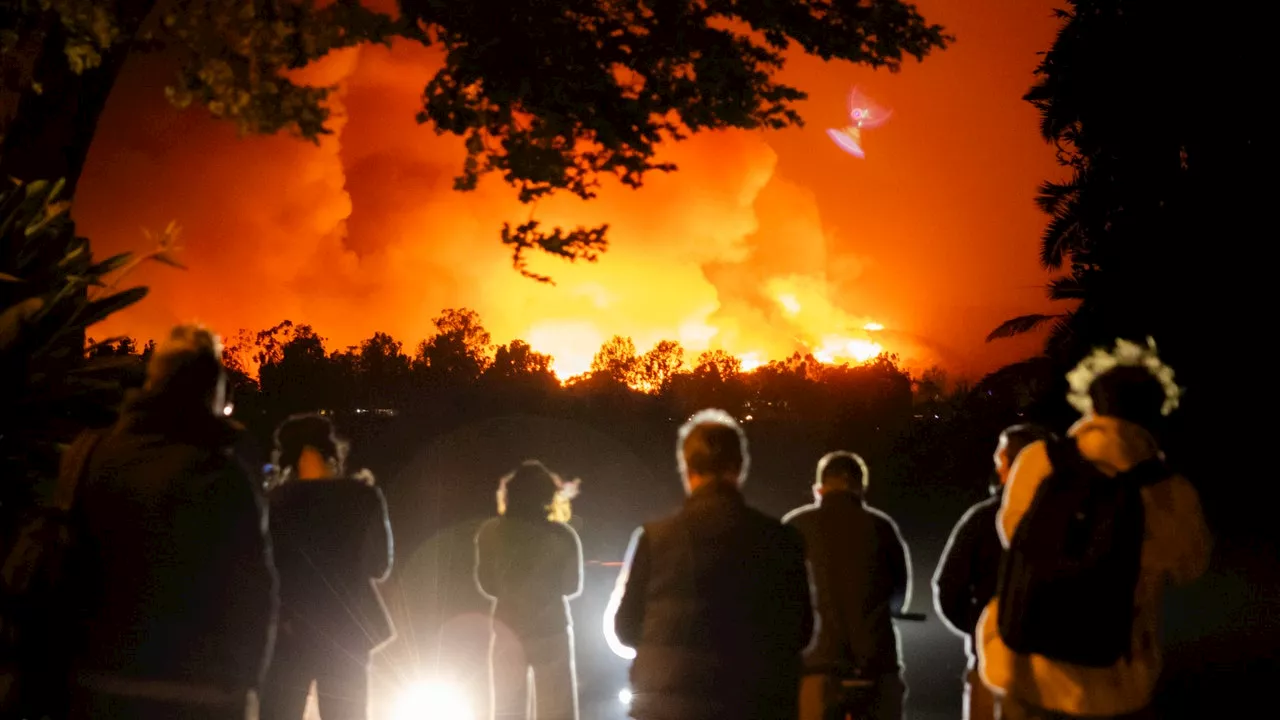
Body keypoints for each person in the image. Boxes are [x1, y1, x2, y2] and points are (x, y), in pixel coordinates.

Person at [978, 338, 1212, 720]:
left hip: (1027, 672)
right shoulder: (1170, 491)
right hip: (1116, 683)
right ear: (1157, 410)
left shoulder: (1041, 461)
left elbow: (1011, 534)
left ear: (1090, 402)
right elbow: (1189, 567)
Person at [66, 324, 278, 720]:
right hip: (196, 696)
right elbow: (253, 594)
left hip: (98, 688)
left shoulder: (89, 457)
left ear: (152, 382)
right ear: (213, 393)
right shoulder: (224, 477)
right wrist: (246, 688)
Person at [605, 409, 814, 720]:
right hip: (755, 704)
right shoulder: (782, 539)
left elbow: (624, 629)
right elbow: (801, 632)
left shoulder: (654, 538)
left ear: (687, 468)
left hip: (668, 705)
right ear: (740, 467)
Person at [260, 414, 394, 720]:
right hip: (346, 629)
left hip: (291, 631)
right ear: (333, 451)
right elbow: (380, 565)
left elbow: (263, 571)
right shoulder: (363, 498)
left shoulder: (276, 502)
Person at [783, 451, 912, 720]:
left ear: (819, 489)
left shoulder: (794, 528)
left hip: (816, 668)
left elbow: (779, 598)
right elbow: (899, 596)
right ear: (861, 488)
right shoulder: (881, 527)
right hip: (875, 664)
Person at [933, 425, 1050, 720]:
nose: (997, 468)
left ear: (1011, 465)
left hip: (992, 669)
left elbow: (948, 589)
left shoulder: (982, 520)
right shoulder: (1072, 519)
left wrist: (980, 629)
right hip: (1055, 676)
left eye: (1001, 460)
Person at [474, 460, 583, 720]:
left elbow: (487, 584)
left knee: (507, 710)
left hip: (508, 629)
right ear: (548, 496)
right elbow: (572, 586)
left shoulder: (490, 532)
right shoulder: (564, 536)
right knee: (557, 711)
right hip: (551, 629)